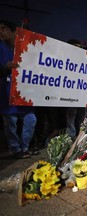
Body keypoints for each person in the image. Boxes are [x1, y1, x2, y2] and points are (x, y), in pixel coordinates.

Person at [0, 20, 37, 159]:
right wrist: (5, 68)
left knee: (30, 120)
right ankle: (15, 149)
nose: (1, 32)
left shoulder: (25, 47)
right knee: (11, 123)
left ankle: (25, 147)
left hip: (25, 93)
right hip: (7, 93)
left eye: (3, 28)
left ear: (13, 31)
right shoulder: (1, 48)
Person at [65, 39, 87, 139]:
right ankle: (71, 137)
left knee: (82, 116)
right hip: (70, 93)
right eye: (76, 47)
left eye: (80, 47)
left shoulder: (84, 60)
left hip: (81, 93)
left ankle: (81, 136)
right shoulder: (65, 59)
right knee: (71, 116)